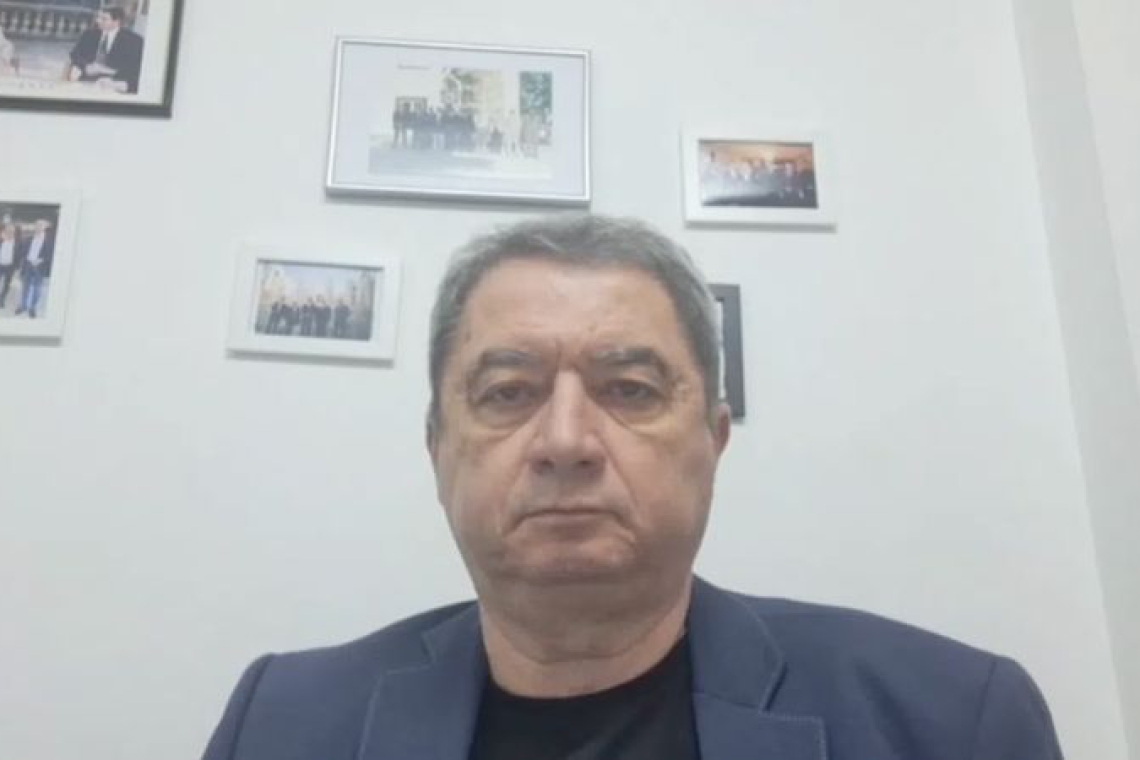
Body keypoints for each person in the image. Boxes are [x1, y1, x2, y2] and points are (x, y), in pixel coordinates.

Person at [202, 214, 1064, 760]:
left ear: (713, 443)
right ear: (437, 451)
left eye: (630, 390)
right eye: (507, 392)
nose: (566, 441)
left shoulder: (951, 721)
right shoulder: (279, 723)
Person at [68, 6, 144, 94]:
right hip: (87, 78)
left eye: (104, 19)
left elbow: (135, 67)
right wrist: (85, 66)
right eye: (98, 17)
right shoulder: (89, 34)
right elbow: (75, 54)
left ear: (116, 22)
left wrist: (108, 72)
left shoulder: (134, 40)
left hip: (115, 81)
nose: (98, 21)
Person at [16, 219, 53, 319]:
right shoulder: (29, 238)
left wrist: (40, 260)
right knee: (25, 287)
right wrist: (24, 261)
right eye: (37, 225)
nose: (38, 227)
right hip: (28, 265)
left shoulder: (49, 240)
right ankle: (23, 306)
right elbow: (23, 252)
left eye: (40, 225)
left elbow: (50, 254)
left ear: (45, 227)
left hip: (39, 267)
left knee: (37, 289)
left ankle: (32, 308)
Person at [0, 222, 19, 309]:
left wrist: (16, 267)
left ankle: (2, 300)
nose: (9, 232)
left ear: (14, 232)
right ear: (5, 231)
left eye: (11, 231)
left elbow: (19, 254)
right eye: (8, 230)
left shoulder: (17, 242)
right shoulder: (1, 240)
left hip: (10, 267)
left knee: (6, 284)